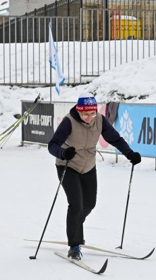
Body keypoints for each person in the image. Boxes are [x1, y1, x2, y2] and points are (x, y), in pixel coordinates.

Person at [47, 95, 141, 260]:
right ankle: (74, 245)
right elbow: (52, 145)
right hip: (67, 166)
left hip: (88, 165)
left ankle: (75, 226)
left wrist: (129, 153)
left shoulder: (100, 120)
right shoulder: (69, 121)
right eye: (85, 115)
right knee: (76, 204)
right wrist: (62, 153)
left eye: (92, 113)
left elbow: (115, 139)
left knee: (89, 204)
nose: (89, 118)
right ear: (78, 111)